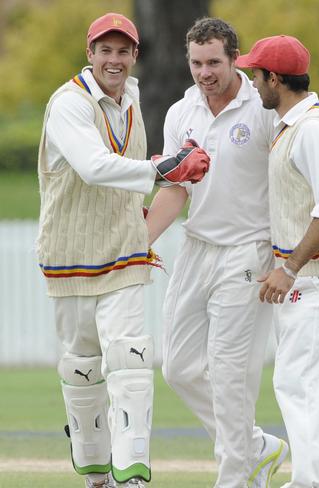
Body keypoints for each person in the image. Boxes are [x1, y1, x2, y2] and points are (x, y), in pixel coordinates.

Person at [36, 12, 210, 488]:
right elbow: (93, 167)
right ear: (90, 54)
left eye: (123, 51)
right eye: (105, 51)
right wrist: (164, 167)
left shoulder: (131, 98)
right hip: (69, 256)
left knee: (131, 362)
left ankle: (131, 478)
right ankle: (96, 478)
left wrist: (156, 202)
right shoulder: (68, 104)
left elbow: (129, 181)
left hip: (124, 255)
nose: (114, 60)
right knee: (82, 371)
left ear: (135, 55)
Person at [145, 18, 287, 488]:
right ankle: (254, 447)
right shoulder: (181, 111)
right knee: (179, 368)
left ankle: (236, 477)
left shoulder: (264, 107)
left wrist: (285, 260)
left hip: (248, 252)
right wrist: (135, 243)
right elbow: (174, 190)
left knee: (230, 376)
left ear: (234, 58)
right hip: (196, 247)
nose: (204, 72)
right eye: (195, 63)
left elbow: (290, 183)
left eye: (213, 62)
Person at [236, 35, 319, 488]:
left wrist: (288, 269)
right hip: (312, 273)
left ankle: (309, 483)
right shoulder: (291, 124)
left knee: (297, 384)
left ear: (275, 79)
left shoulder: (312, 130)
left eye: (256, 75)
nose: (252, 83)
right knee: (305, 385)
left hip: (318, 274)